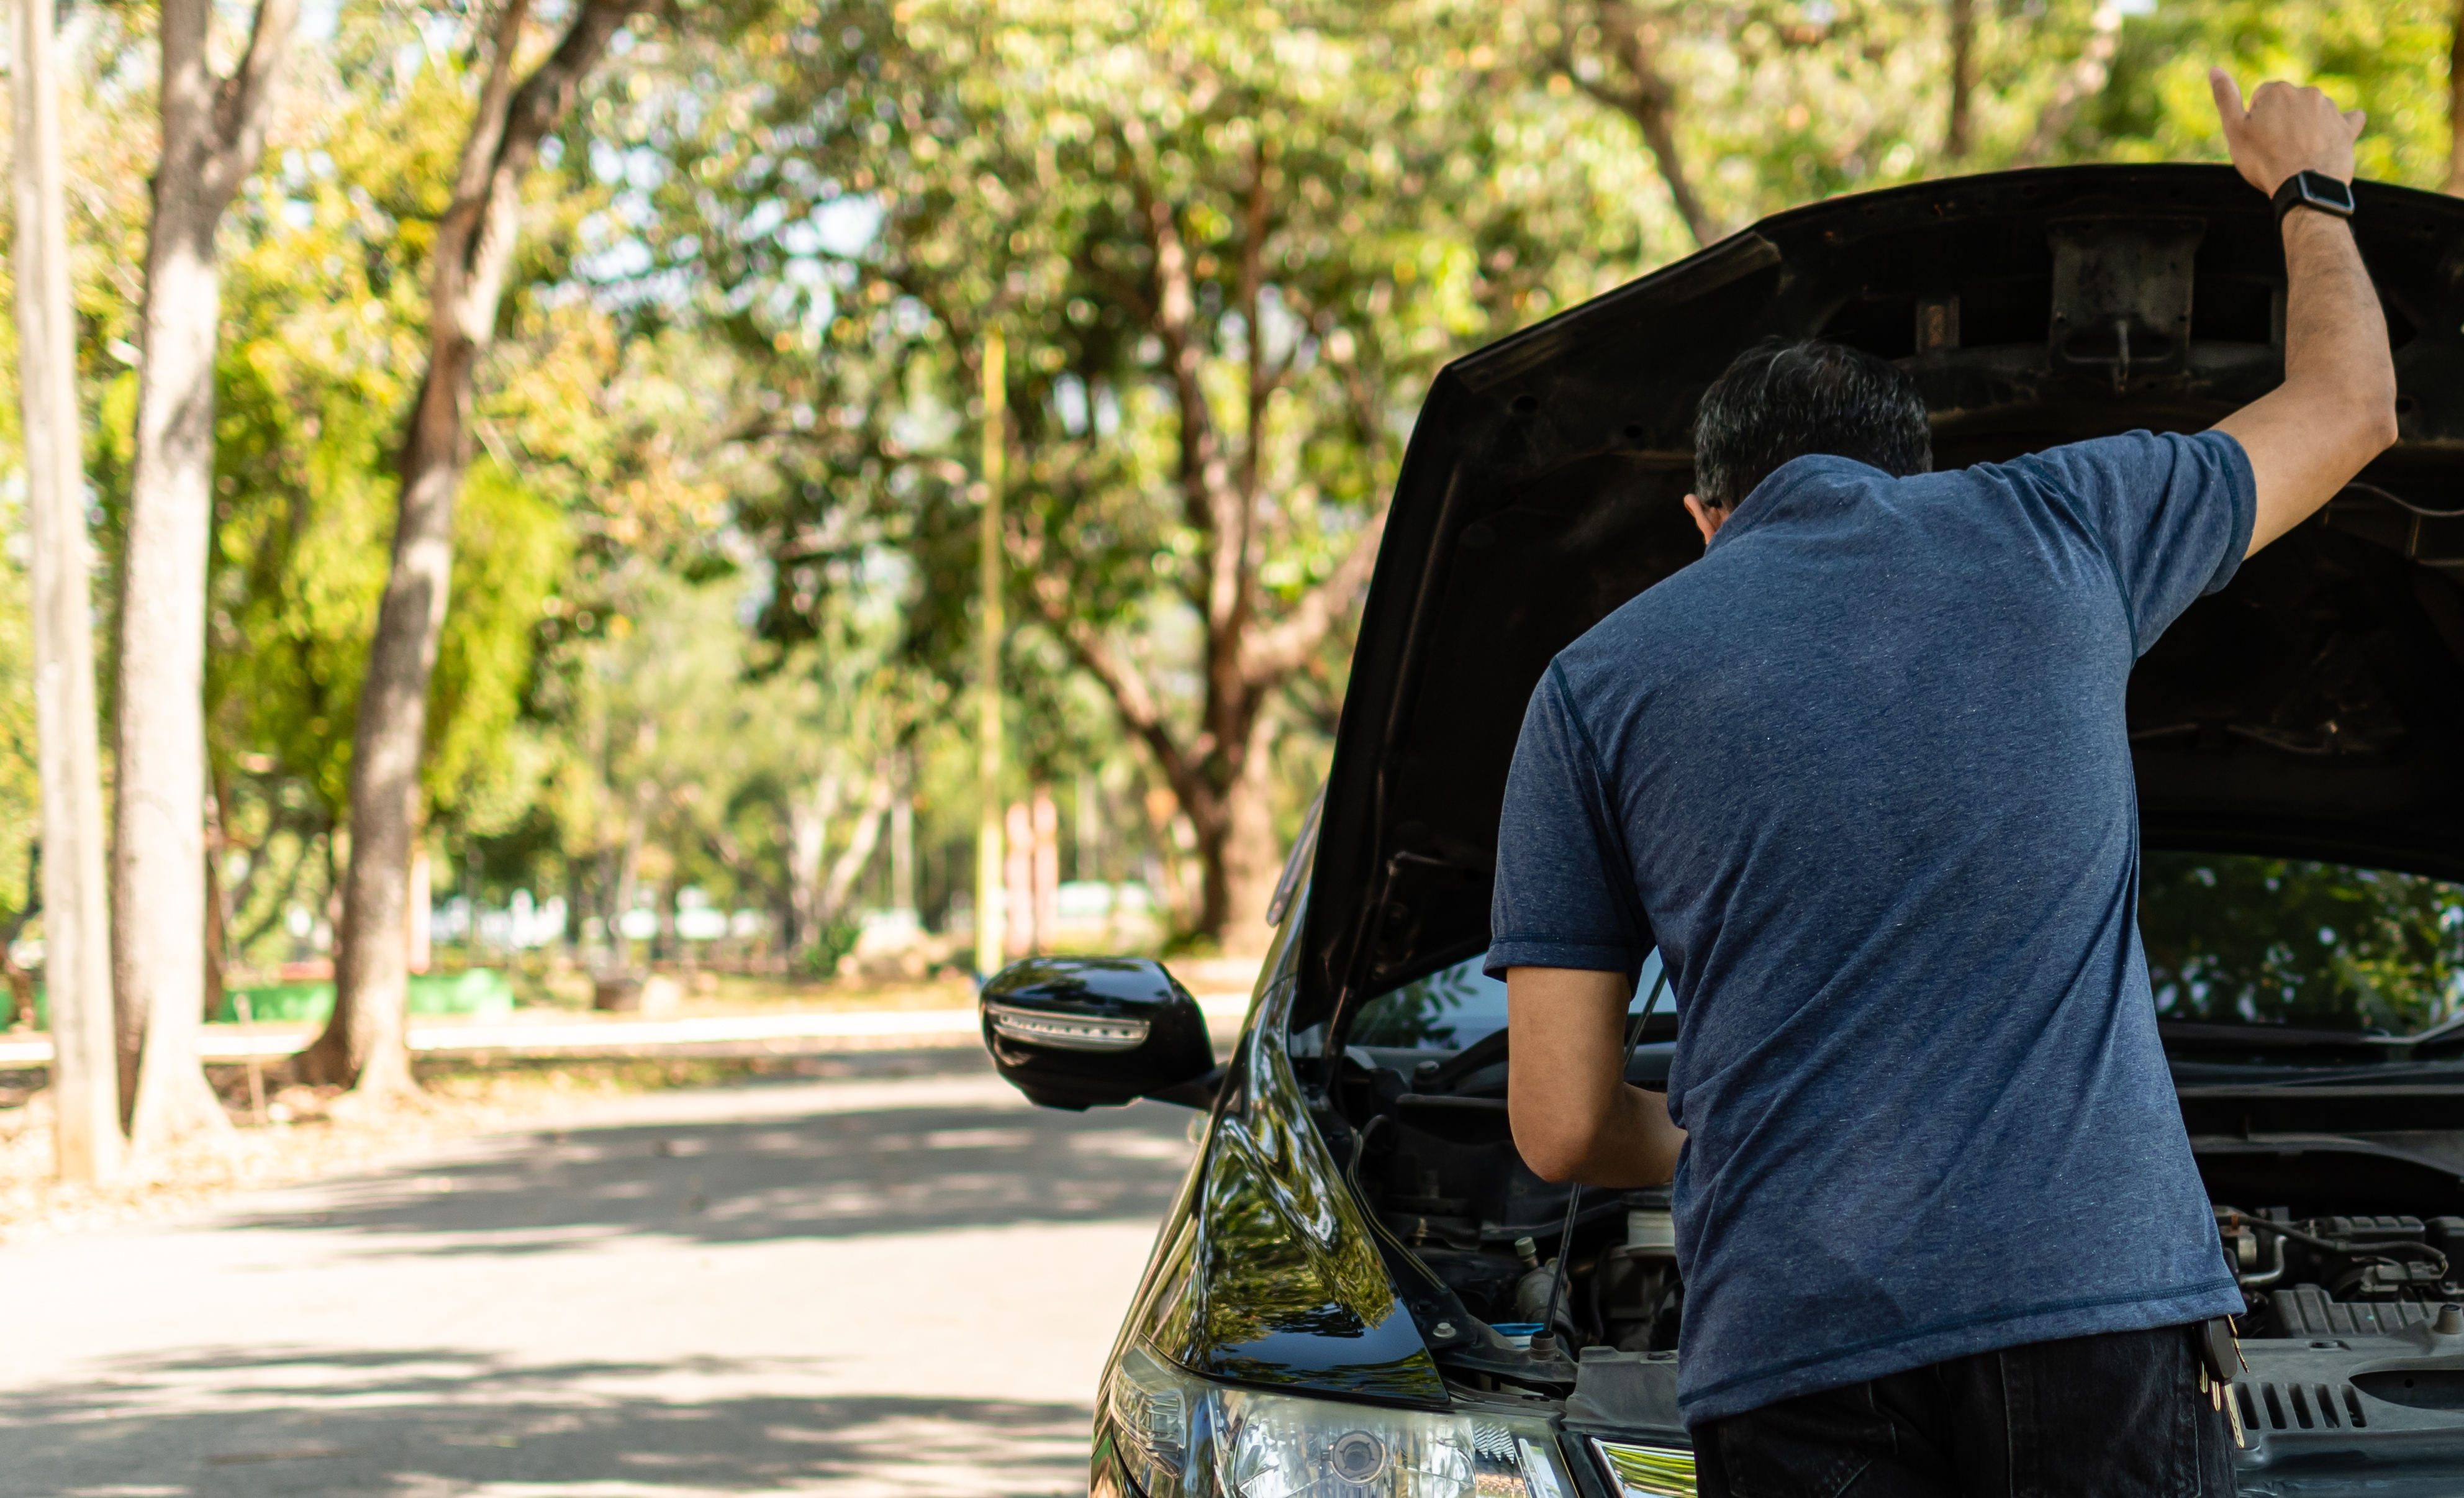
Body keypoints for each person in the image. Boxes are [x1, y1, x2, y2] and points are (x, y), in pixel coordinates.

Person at [1486, 71, 2393, 1496]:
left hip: (1795, 1340)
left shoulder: (1591, 685)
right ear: (1915, 470)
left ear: (1702, 518)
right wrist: (2306, 188)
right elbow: (2349, 409)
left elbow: (1554, 1123)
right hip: (2092, 1304)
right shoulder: (2058, 522)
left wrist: (1769, 1132)